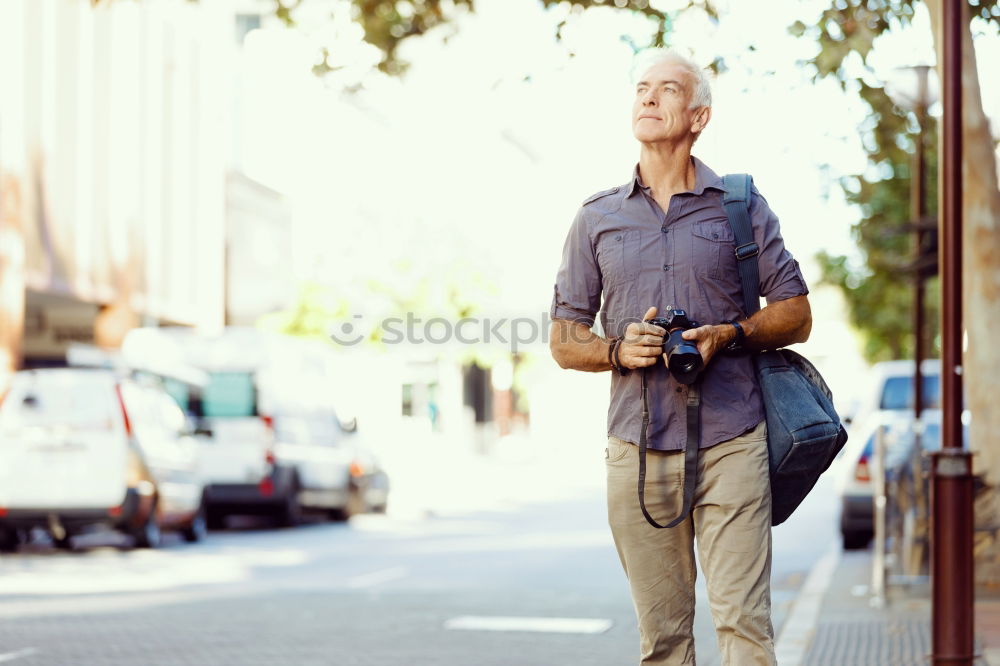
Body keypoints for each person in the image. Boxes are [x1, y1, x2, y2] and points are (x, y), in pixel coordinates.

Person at [548, 49, 812, 666]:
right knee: (663, 639)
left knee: (745, 625)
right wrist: (619, 349)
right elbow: (564, 339)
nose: (647, 98)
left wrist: (732, 334)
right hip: (636, 448)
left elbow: (796, 313)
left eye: (666, 89)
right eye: (641, 87)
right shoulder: (597, 217)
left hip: (733, 440)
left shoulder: (741, 204)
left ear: (699, 116)